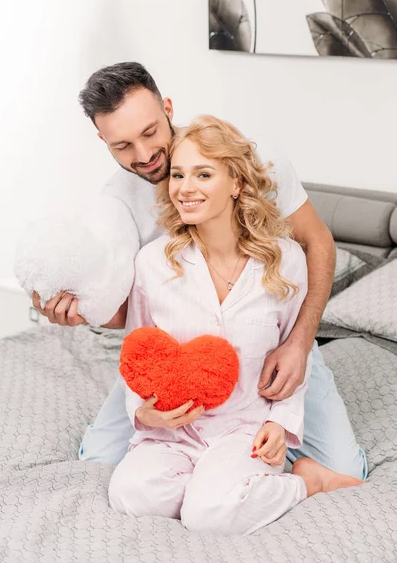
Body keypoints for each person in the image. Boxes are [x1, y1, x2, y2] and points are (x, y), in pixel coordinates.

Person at [32, 62, 367, 480]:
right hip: (175, 352)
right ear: (102, 140)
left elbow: (318, 242)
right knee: (97, 463)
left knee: (345, 472)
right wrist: (84, 312)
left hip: (266, 342)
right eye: (122, 146)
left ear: (168, 107)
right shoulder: (117, 203)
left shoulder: (255, 160)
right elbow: (136, 310)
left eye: (150, 132)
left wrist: (298, 344)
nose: (143, 156)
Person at [108, 115, 362, 535]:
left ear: (237, 183)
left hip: (247, 426)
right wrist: (145, 414)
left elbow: (292, 361)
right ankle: (215, 487)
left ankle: (304, 481)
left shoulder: (285, 262)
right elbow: (138, 354)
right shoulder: (152, 263)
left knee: (210, 517)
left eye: (203, 174)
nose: (185, 188)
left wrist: (280, 424)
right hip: (173, 431)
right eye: (178, 175)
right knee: (130, 495)